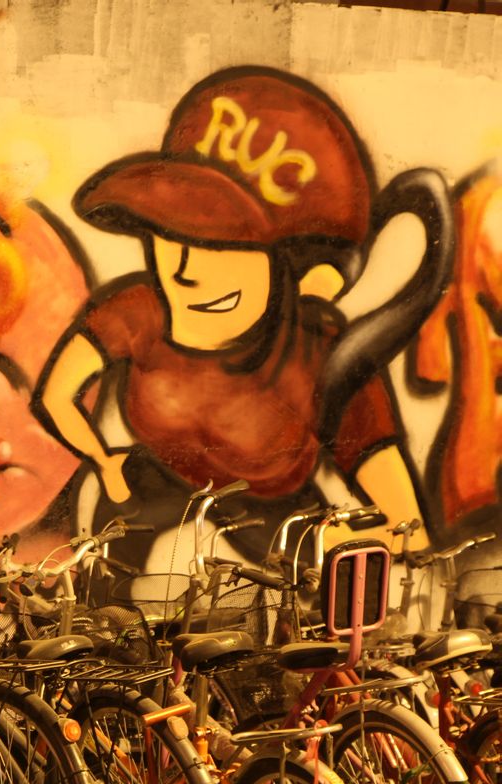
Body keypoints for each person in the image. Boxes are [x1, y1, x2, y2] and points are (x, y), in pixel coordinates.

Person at [36, 67, 440, 567]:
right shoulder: (139, 310)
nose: (183, 272)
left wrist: (325, 546)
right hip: (142, 527)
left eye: (220, 246)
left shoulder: (321, 356)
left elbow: (408, 529)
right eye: (171, 236)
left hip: (271, 555)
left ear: (294, 270)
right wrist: (103, 462)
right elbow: (56, 395)